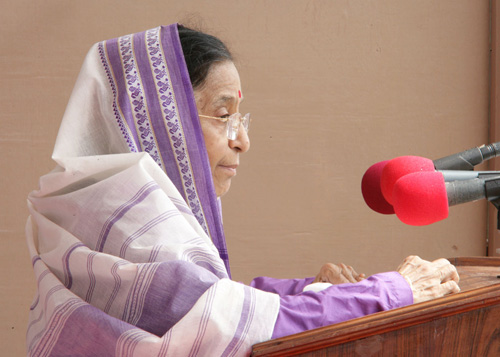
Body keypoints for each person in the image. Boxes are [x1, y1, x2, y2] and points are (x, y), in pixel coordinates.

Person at [25, 24, 460, 356]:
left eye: (242, 118)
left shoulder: (94, 208)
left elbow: (214, 305)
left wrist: (318, 292)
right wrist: (391, 292)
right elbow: (221, 321)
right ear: (163, 125)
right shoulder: (129, 224)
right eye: (222, 114)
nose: (242, 141)